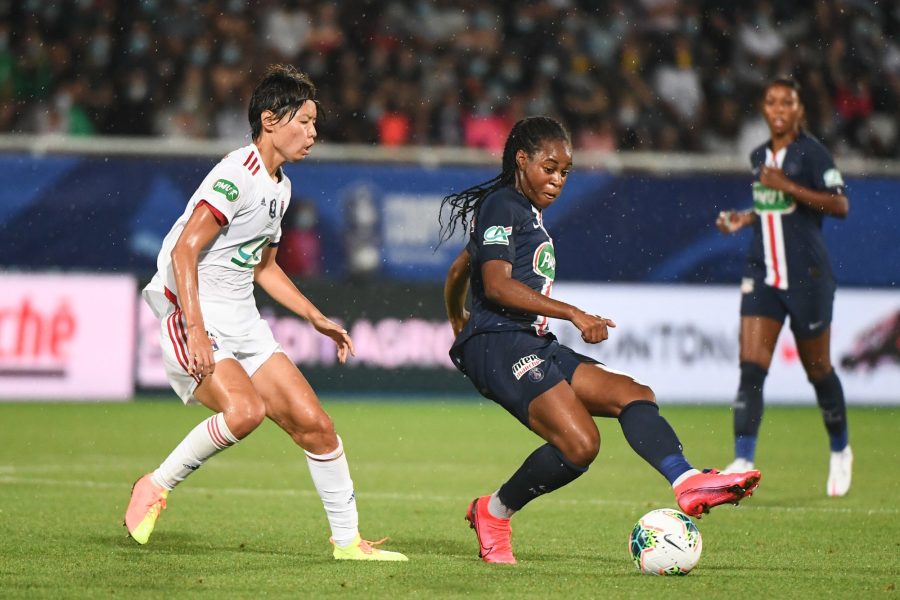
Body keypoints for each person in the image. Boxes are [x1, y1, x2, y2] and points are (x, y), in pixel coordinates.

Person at [440, 115, 761, 565]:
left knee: (633, 394)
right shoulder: (503, 204)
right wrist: (571, 312)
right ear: (521, 159)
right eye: (548, 168)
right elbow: (494, 285)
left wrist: (455, 312)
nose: (557, 181)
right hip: (498, 343)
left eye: (565, 172)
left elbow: (460, 269)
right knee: (581, 444)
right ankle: (493, 513)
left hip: (528, 339)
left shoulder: (520, 213)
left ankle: (687, 480)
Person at [125, 64, 407, 561]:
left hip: (242, 321)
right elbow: (183, 252)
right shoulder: (238, 174)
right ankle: (153, 485)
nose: (314, 133)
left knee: (316, 425)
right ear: (271, 119)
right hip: (192, 314)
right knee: (246, 411)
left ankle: (348, 544)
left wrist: (314, 316)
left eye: (316, 124)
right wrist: (195, 332)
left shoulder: (281, 186)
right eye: (306, 120)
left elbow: (264, 268)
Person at [716, 78, 852, 497]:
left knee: (818, 370)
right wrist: (744, 217)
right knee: (751, 366)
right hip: (763, 273)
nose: (778, 108)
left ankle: (840, 448)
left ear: (799, 111)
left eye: (787, 102)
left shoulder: (813, 153)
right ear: (763, 108)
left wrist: (788, 186)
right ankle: (742, 458)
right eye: (771, 101)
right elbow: (772, 210)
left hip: (807, 276)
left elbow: (840, 204)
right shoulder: (759, 156)